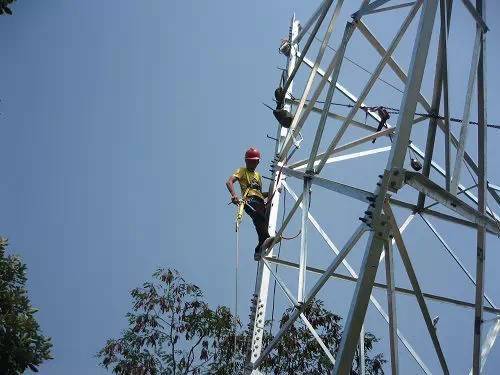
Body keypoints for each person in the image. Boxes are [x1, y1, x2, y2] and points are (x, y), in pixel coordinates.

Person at [226, 147, 274, 260]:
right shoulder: (242, 171)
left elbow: (259, 193)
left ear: (258, 162)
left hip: (260, 200)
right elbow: (229, 182)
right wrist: (234, 195)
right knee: (258, 216)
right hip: (249, 200)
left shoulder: (258, 175)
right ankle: (265, 240)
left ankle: (260, 248)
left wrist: (272, 192)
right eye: (250, 161)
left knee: (263, 221)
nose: (253, 163)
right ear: (246, 161)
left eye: (255, 161)